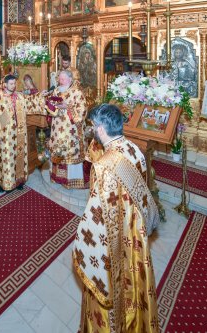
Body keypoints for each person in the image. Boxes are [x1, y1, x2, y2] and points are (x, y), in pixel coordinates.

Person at [73, 103, 160, 333]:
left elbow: (98, 214)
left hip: (114, 240)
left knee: (112, 285)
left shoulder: (102, 166)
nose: (92, 131)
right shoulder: (134, 149)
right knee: (134, 281)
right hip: (135, 234)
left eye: (93, 126)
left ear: (101, 129)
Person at [0, 74, 46, 192]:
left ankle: (19, 180)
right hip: (6, 134)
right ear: (5, 84)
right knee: (7, 158)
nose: (13, 86)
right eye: (11, 84)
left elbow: (30, 101)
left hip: (20, 133)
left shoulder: (19, 96)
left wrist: (40, 96)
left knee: (20, 157)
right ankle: (5, 183)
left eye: (15, 83)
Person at [46, 70, 88, 189]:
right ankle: (57, 177)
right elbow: (51, 107)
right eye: (60, 78)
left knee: (69, 152)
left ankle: (70, 180)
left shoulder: (77, 92)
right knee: (58, 150)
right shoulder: (56, 90)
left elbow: (82, 110)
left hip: (70, 130)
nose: (61, 81)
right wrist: (51, 105)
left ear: (70, 79)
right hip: (57, 128)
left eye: (63, 79)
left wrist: (67, 107)